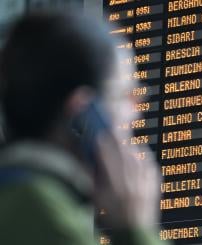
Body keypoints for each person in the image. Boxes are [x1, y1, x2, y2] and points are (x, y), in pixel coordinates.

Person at [0, 12, 163, 245]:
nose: (136, 112)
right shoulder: (46, 217)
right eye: (127, 95)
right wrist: (135, 230)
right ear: (82, 114)